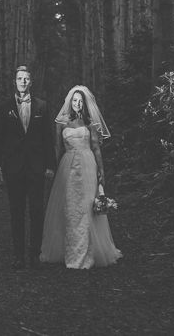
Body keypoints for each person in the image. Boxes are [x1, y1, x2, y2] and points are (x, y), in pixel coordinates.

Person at [40, 85, 122, 269]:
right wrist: (50, 167)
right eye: (74, 100)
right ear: (70, 103)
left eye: (80, 101)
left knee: (86, 207)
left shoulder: (89, 123)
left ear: (84, 104)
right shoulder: (62, 123)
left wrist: (101, 170)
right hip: (67, 166)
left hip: (87, 165)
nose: (77, 103)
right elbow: (56, 147)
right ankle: (70, 251)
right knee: (70, 207)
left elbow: (96, 148)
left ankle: (87, 253)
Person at [0, 65, 55, 270]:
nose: (23, 82)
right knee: (16, 211)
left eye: (26, 79)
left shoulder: (42, 107)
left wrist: (49, 165)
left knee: (37, 211)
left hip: (37, 167)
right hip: (14, 167)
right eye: (20, 79)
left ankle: (34, 254)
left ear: (31, 82)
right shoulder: (4, 107)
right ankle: (18, 255)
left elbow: (48, 138)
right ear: (15, 81)